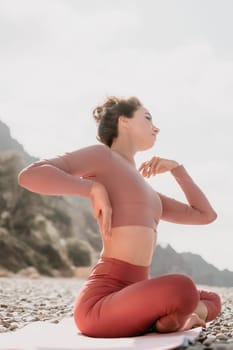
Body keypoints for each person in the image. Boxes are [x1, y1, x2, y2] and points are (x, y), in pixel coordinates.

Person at [18, 96, 221, 338]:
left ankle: (168, 319)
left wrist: (177, 169)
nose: (156, 127)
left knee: (213, 299)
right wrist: (91, 188)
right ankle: (171, 317)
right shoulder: (102, 156)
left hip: (136, 292)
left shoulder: (148, 191)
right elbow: (30, 176)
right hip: (101, 302)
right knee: (183, 288)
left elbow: (205, 215)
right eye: (147, 118)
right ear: (124, 121)